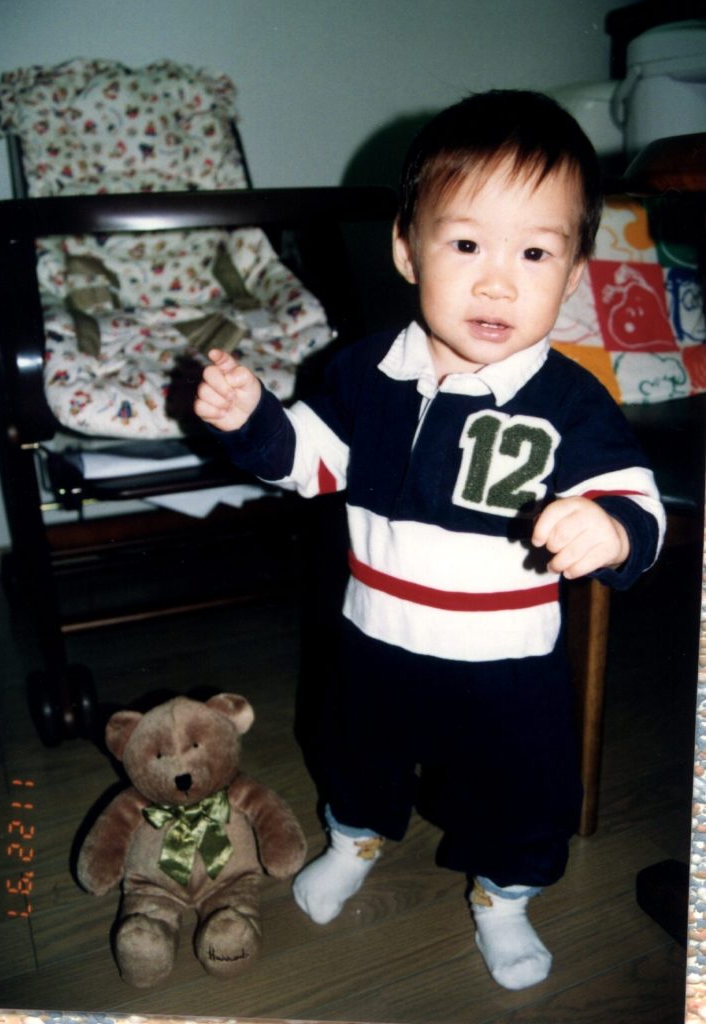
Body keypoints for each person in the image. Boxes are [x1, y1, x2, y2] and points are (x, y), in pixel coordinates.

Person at [194, 90, 665, 991]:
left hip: (507, 661)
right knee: (354, 748)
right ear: (408, 250)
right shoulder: (364, 373)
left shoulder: (572, 403)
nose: (498, 283)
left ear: (573, 275)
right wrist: (252, 419)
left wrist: (608, 527)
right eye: (467, 245)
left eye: (535, 253)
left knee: (518, 785)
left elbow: (635, 498)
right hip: (375, 635)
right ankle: (356, 837)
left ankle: (505, 895)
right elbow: (307, 461)